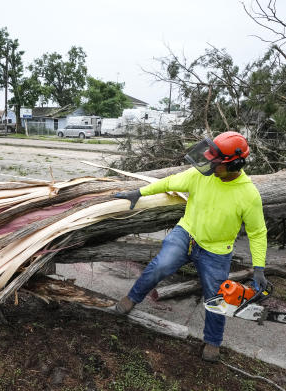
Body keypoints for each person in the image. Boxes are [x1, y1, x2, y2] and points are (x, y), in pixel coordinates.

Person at [113, 131, 267, 362]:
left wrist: (259, 268)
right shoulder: (202, 175)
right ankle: (132, 298)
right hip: (187, 233)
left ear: (235, 164)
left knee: (216, 298)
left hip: (216, 250)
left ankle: (213, 342)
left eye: (216, 163)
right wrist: (139, 192)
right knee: (160, 266)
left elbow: (257, 233)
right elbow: (169, 182)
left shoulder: (249, 194)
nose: (210, 165)